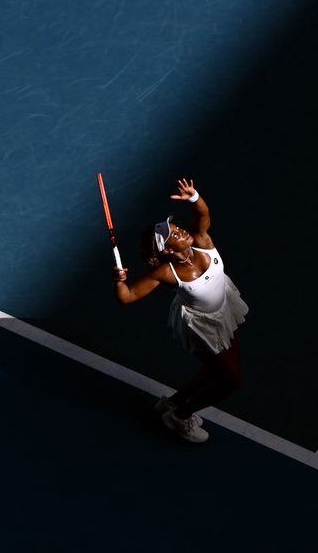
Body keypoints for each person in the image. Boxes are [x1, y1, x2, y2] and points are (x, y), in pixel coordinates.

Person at [112, 178, 248, 443]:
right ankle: (180, 416)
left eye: (178, 228)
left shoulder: (201, 239)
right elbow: (127, 297)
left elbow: (203, 213)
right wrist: (119, 280)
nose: (182, 232)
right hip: (203, 327)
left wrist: (194, 197)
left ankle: (173, 403)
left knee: (221, 369)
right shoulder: (165, 272)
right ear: (167, 249)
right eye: (174, 234)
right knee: (232, 382)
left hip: (224, 310)